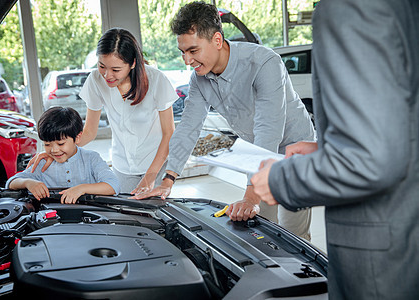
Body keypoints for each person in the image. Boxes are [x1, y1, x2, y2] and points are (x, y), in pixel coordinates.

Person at [251, 0, 419, 299]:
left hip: (384, 262)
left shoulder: (353, 7)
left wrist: (280, 180)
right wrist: (324, 150)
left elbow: (371, 160)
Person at [133, 1, 316, 240]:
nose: (187, 60)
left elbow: (268, 127)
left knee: (293, 235)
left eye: (193, 51)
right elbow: (189, 126)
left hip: (293, 150)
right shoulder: (199, 79)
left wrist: (250, 195)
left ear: (217, 41)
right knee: (262, 227)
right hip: (257, 153)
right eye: (183, 52)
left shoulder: (263, 63)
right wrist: (168, 180)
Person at [30, 28, 178, 194]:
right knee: (125, 215)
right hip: (122, 165)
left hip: (156, 163)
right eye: (102, 66)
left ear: (133, 63)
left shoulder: (157, 80)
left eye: (115, 70)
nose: (107, 75)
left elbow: (169, 133)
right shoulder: (95, 80)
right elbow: (90, 131)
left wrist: (150, 177)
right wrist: (56, 149)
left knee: (154, 215)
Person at [7, 107, 120, 204]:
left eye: (61, 143)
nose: (54, 150)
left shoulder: (91, 159)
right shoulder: (43, 163)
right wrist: (28, 183)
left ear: (77, 138)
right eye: (47, 144)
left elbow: (113, 185)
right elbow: (11, 183)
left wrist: (82, 188)